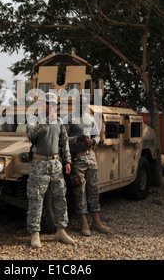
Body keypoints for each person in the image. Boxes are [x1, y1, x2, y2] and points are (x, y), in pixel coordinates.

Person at [26, 92, 75, 248]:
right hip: (39, 164)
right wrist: (47, 121)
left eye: (54, 104)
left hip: (55, 164)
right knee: (36, 199)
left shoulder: (59, 122)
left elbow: (64, 142)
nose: (51, 107)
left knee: (60, 197)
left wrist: (67, 160)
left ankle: (60, 230)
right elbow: (31, 135)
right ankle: (35, 233)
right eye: (49, 104)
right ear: (42, 104)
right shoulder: (34, 120)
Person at [64, 96, 110, 236]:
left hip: (90, 156)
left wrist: (92, 141)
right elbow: (63, 140)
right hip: (77, 159)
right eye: (80, 103)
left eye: (85, 103)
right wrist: (77, 139)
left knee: (94, 189)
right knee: (80, 191)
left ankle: (96, 221)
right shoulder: (68, 119)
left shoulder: (90, 119)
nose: (82, 105)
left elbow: (97, 136)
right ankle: (84, 223)